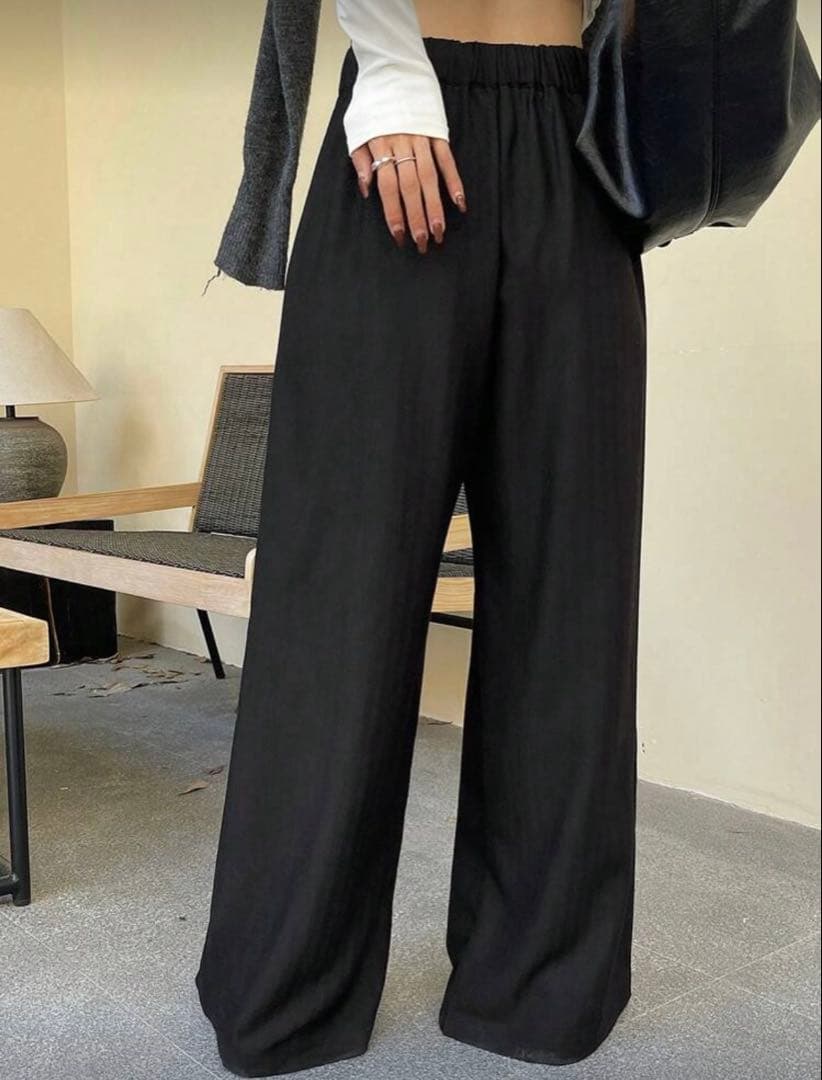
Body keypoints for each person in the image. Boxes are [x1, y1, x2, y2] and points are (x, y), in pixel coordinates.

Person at [196, 1, 646, 1076]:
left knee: (572, 594)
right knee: (338, 598)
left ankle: (540, 985)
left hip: (579, 134)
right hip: (399, 130)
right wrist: (392, 67)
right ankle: (285, 986)